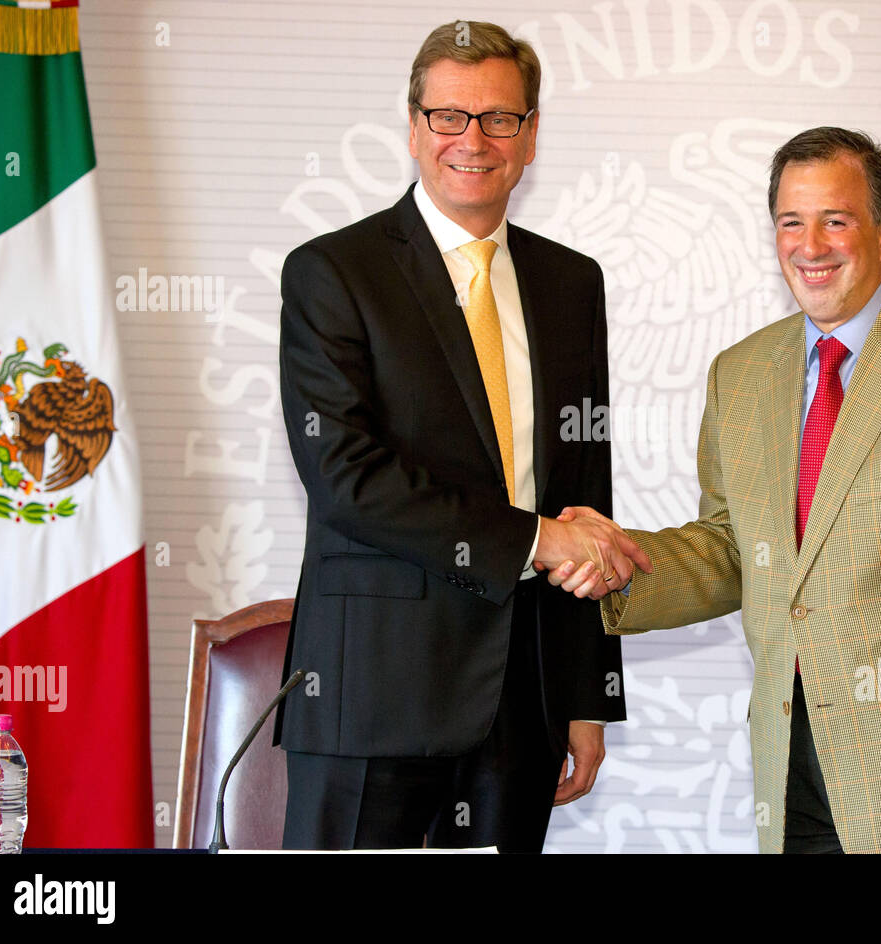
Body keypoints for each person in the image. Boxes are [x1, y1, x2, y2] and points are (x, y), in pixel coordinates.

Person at [546, 128, 881, 854]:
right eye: (791, 222)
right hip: (792, 772)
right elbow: (733, 549)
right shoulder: (742, 374)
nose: (809, 244)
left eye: (836, 220)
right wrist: (616, 565)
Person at [274, 20, 648, 853]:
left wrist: (584, 696)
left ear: (532, 136)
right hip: (370, 695)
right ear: (413, 129)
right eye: (448, 116)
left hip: (525, 700)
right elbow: (345, 476)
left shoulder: (569, 282)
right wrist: (537, 539)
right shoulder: (334, 272)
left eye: (499, 119)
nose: (472, 140)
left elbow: (584, 490)